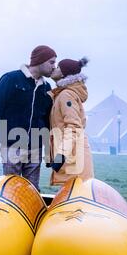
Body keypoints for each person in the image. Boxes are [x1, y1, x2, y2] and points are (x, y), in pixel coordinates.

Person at [0, 45, 57, 190]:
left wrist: (49, 151)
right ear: (40, 61)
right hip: (12, 145)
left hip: (35, 147)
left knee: (32, 190)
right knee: (12, 189)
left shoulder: (46, 88)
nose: (54, 67)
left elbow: (48, 120)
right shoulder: (11, 79)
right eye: (51, 62)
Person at [48, 57, 94, 185]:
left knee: (73, 196)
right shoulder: (63, 93)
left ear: (63, 73)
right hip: (72, 154)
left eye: (57, 67)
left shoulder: (66, 95)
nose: (54, 68)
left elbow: (74, 126)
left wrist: (61, 155)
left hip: (73, 157)